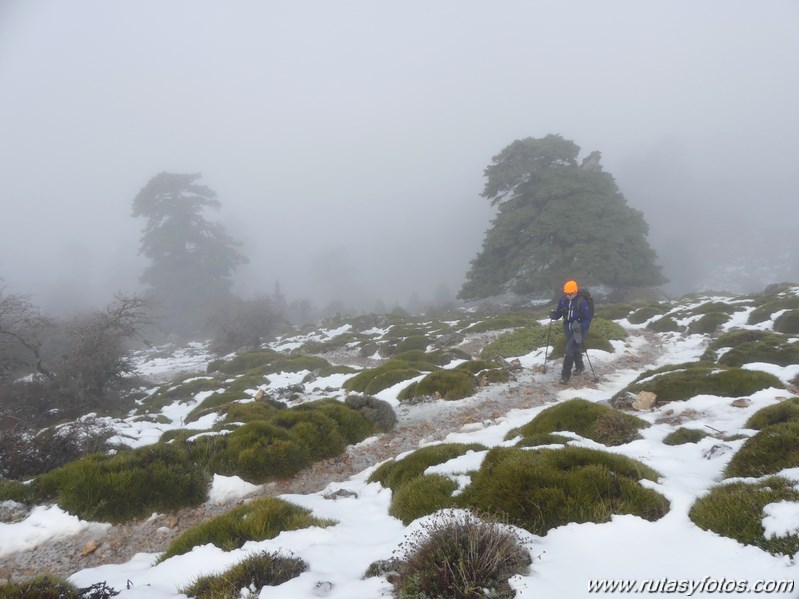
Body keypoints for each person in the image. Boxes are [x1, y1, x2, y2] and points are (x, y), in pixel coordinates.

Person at [550, 279, 592, 384]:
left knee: (569, 349)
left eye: (570, 293)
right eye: (566, 293)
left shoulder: (582, 302)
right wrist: (554, 316)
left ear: (576, 291)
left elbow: (587, 318)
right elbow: (559, 313)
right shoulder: (563, 300)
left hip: (579, 328)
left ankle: (565, 376)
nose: (568, 295)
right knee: (575, 347)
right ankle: (580, 367)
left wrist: (581, 328)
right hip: (567, 327)